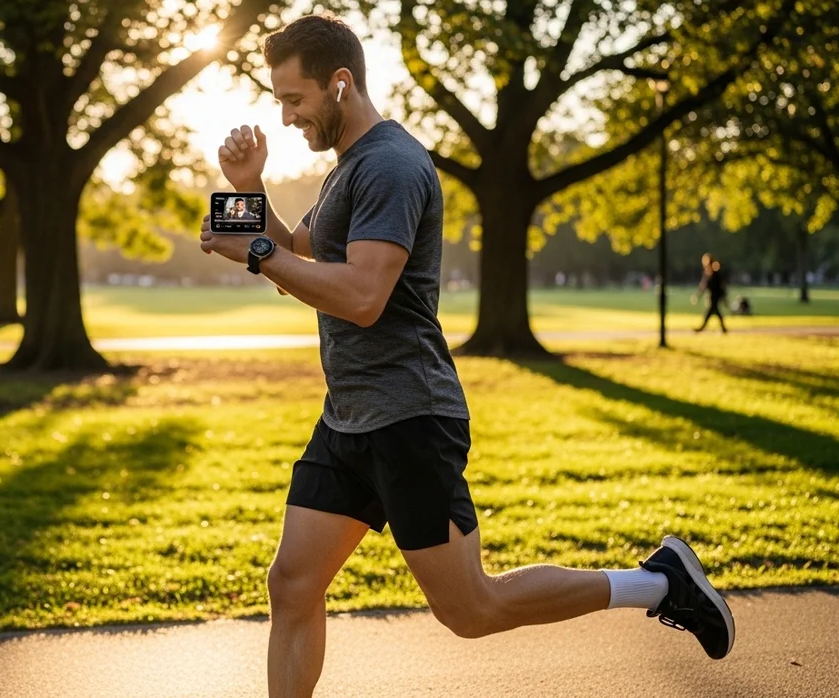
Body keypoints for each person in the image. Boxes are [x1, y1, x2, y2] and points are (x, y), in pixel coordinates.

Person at [197, 15, 734, 698]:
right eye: (278, 101)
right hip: (351, 418)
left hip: (410, 418)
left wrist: (259, 256)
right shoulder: (347, 171)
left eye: (294, 99)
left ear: (340, 84)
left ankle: (659, 583)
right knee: (293, 582)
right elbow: (300, 252)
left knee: (471, 609)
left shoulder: (390, 164)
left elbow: (362, 295)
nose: (286, 115)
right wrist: (248, 187)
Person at [693, 253, 728, 333]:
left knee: (710, 312)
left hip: (715, 296)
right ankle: (723, 329)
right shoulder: (708, 273)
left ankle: (702, 328)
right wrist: (698, 295)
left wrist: (723, 296)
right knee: (716, 312)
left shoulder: (715, 272)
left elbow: (719, 285)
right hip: (712, 296)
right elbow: (704, 285)